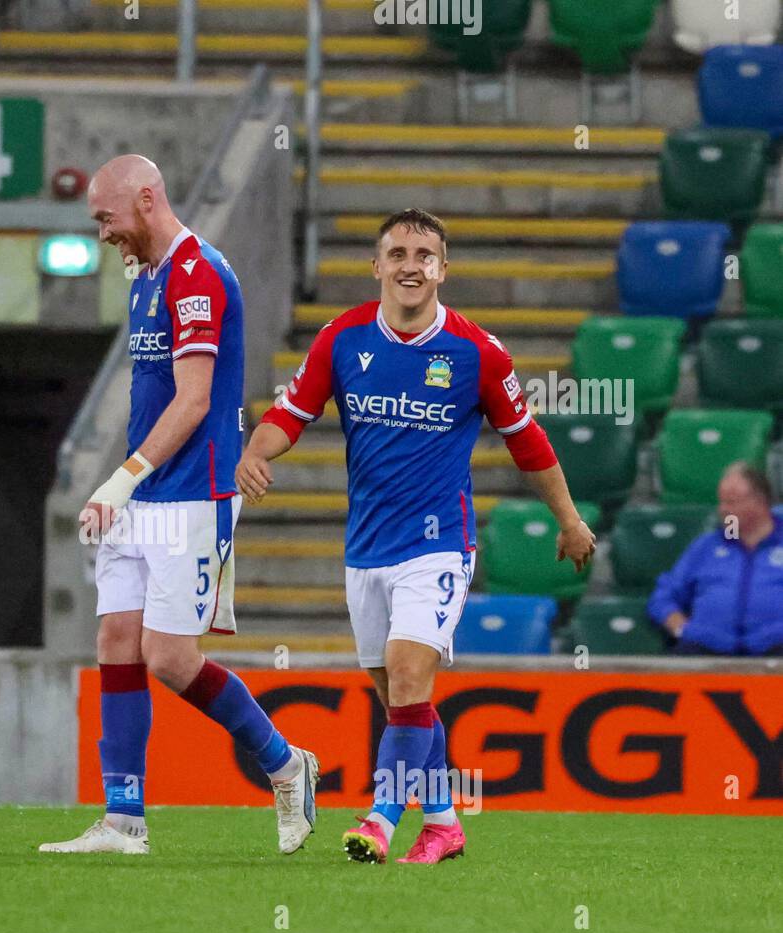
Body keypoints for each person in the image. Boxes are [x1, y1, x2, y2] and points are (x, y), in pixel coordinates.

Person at [238, 208, 596, 864]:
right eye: (398, 253)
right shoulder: (341, 341)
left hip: (438, 544)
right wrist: (256, 453)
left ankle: (379, 818)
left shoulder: (478, 353)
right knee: (404, 699)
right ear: (376, 266)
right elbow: (289, 414)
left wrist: (569, 519)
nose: (411, 264)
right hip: (365, 549)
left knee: (406, 677)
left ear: (443, 270)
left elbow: (529, 444)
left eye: (425, 255)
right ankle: (443, 823)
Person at [38, 154, 320, 857]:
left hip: (194, 494)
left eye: (106, 218)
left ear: (145, 198)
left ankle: (287, 765)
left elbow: (195, 400)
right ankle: (124, 820)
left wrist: (121, 477)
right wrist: (127, 484)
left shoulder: (197, 275)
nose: (102, 233)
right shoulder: (147, 277)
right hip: (146, 490)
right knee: (115, 642)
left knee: (167, 657)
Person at [648, 462, 783, 656]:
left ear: (760, 502)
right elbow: (663, 597)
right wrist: (682, 629)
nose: (723, 509)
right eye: (722, 502)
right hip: (705, 648)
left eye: (732, 502)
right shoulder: (707, 546)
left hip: (776, 649)